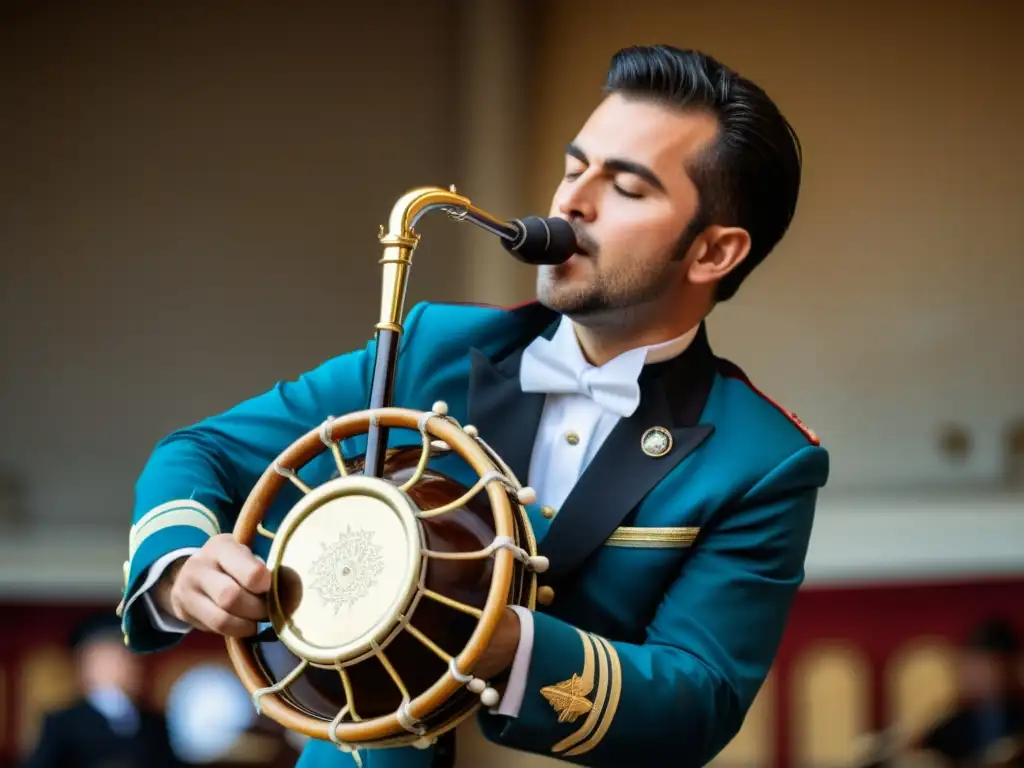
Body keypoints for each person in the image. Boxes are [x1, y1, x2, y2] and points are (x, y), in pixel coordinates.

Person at [117, 44, 829, 767]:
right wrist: (178, 571)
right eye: (574, 167)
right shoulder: (432, 344)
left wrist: (509, 646)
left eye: (627, 187)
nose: (569, 203)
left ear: (712, 253)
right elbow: (199, 451)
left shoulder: (763, 460)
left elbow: (698, 701)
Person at [23, 613, 183, 768]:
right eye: (105, 658)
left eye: (123, 657)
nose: (117, 667)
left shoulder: (155, 724)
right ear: (83, 666)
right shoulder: (63, 724)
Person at [912, 619, 1024, 767]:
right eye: (973, 667)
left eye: (989, 667)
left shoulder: (1018, 715)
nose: (978, 676)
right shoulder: (954, 719)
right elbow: (923, 749)